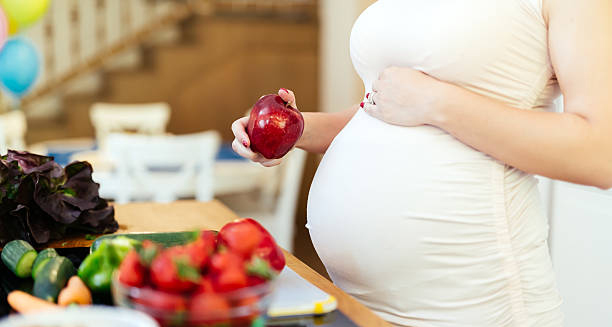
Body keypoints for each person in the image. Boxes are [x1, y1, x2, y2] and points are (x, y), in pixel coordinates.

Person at [231, 0, 612, 326]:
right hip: (358, 301)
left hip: (474, 305)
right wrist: (298, 129)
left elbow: (598, 153)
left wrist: (437, 102)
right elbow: (385, 106)